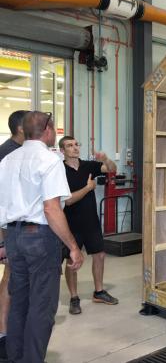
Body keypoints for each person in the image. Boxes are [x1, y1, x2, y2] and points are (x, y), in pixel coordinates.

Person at [0, 111, 84, 363]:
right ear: (47, 130)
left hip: (14, 237)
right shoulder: (49, 161)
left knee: (19, 302)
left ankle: (15, 357)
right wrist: (73, 247)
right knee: (42, 307)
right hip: (39, 238)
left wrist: (4, 240)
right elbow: (52, 209)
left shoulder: (7, 160)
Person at [59, 135, 118, 315]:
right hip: (70, 224)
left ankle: (99, 291)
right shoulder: (59, 170)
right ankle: (74, 298)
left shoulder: (89, 166)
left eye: (77, 144)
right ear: (63, 151)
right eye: (70, 145)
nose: (75, 148)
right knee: (72, 261)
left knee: (99, 255)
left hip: (91, 221)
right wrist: (88, 188)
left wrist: (105, 159)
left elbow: (111, 169)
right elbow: (67, 201)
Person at [0, 110, 28, 359]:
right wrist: (3, 241)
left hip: (14, 229)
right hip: (9, 229)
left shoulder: (19, 151)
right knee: (9, 279)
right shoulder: (8, 153)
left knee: (13, 279)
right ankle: (4, 333)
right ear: (21, 128)